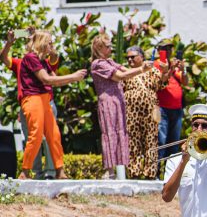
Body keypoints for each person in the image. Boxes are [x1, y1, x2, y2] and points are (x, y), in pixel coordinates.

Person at [16, 30, 86, 180]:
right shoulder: (30, 58)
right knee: (35, 135)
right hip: (32, 98)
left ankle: (60, 171)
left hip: (44, 99)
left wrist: (72, 77)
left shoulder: (42, 61)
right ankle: (25, 172)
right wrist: (73, 77)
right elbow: (46, 79)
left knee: (54, 135)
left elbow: (55, 78)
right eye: (50, 43)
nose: (52, 46)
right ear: (41, 43)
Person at [2, 29, 58, 179]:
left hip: (46, 103)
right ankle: (37, 173)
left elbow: (54, 62)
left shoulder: (44, 62)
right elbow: (4, 58)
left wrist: (51, 48)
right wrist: (9, 42)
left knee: (49, 138)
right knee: (32, 139)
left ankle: (51, 173)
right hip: (29, 105)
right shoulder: (21, 63)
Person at [89, 33, 138, 178]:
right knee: (110, 133)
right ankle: (109, 171)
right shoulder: (98, 64)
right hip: (108, 102)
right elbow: (120, 76)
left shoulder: (109, 61)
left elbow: (126, 71)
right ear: (99, 48)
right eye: (108, 46)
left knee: (120, 133)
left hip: (117, 101)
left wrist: (145, 68)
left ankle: (122, 170)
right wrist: (142, 70)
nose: (111, 48)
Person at [123, 46, 173, 179]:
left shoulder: (152, 71)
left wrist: (165, 70)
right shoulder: (126, 72)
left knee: (151, 141)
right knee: (133, 142)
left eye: (132, 57)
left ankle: (150, 173)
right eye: (128, 57)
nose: (129, 60)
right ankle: (134, 172)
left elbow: (162, 84)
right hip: (131, 112)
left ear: (141, 57)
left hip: (150, 112)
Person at [157, 55, 189, 162]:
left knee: (174, 143)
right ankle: (157, 172)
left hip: (176, 110)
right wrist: (170, 68)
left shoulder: (176, 71)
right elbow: (163, 80)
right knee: (161, 141)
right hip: (162, 109)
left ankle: (170, 171)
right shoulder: (158, 65)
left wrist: (183, 69)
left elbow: (185, 82)